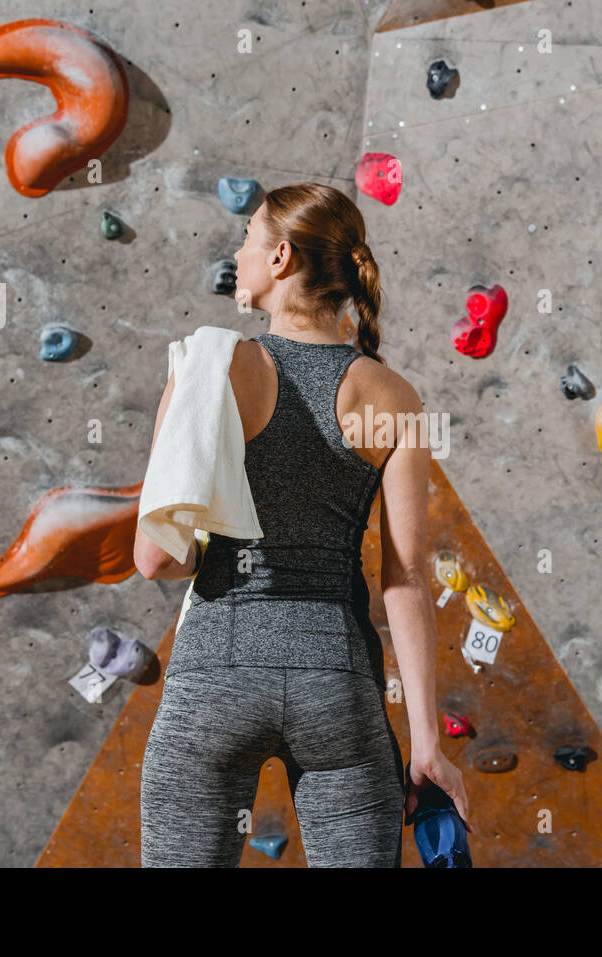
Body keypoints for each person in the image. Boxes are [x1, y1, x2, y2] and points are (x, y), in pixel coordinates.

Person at [135, 182, 471, 867]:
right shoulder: (393, 395)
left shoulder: (211, 366)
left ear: (281, 257)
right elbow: (405, 579)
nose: (238, 252)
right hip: (338, 684)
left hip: (214, 679)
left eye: (249, 236)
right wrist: (427, 740)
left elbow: (155, 558)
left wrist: (213, 543)